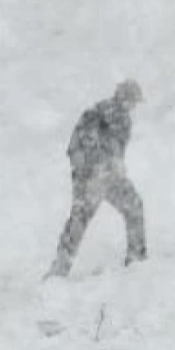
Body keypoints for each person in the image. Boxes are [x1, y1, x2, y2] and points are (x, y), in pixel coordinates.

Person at [44, 80, 146, 279]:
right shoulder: (116, 116)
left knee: (79, 220)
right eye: (133, 101)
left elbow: (76, 147)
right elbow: (104, 148)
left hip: (89, 176)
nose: (134, 107)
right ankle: (136, 258)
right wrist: (103, 168)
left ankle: (60, 267)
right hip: (99, 176)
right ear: (126, 99)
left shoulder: (97, 111)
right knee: (133, 207)